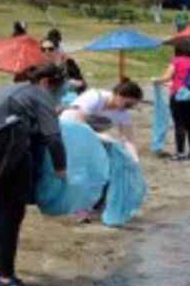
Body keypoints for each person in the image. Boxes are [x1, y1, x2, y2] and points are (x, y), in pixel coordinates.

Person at [0, 62, 68, 286]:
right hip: (8, 155)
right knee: (12, 214)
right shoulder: (40, 94)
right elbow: (53, 136)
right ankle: (5, 278)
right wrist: (61, 168)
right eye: (57, 88)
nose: (55, 94)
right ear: (45, 83)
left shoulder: (6, 89)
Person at [60, 78, 143, 222]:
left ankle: (99, 204)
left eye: (132, 106)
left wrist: (134, 158)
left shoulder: (123, 113)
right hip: (69, 131)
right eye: (128, 104)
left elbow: (128, 139)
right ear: (118, 95)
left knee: (108, 169)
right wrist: (99, 136)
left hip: (96, 136)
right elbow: (78, 122)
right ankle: (81, 210)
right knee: (82, 171)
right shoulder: (94, 97)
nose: (127, 108)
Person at [153, 40, 190, 160]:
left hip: (179, 95)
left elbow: (167, 77)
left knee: (179, 124)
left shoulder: (176, 61)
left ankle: (180, 152)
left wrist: (155, 80)